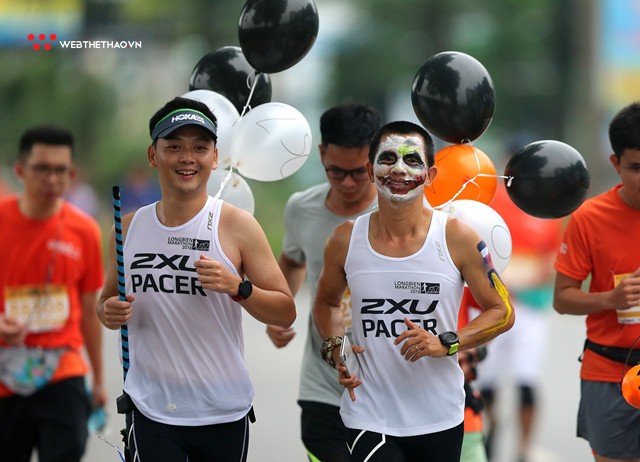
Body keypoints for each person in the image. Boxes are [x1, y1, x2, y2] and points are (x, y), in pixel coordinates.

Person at [97, 96, 296, 462]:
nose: (187, 158)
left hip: (223, 409)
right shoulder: (125, 228)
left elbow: (285, 311)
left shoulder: (238, 225)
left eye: (200, 148)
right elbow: (107, 300)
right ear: (153, 155)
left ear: (215, 158)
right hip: (152, 408)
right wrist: (107, 311)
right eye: (174, 147)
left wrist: (237, 287)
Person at [313, 120, 515, 462]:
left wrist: (447, 342)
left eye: (413, 161)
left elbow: (503, 312)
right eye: (388, 158)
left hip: (439, 414)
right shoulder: (345, 239)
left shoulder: (457, 237)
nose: (399, 170)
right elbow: (326, 302)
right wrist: (336, 348)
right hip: (368, 412)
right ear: (370, 169)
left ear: (432, 175)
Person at [265, 101, 382, 462]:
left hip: (385, 387)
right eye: (335, 171)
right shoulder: (302, 208)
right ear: (320, 154)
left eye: (359, 173)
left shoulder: (398, 216)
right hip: (321, 385)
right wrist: (278, 315)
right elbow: (293, 261)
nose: (347, 182)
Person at [0, 125, 106, 462]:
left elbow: (90, 309)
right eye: (41, 168)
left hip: (64, 371)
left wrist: (100, 380)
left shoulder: (85, 230)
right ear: (20, 171)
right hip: (4, 375)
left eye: (60, 170)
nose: (51, 179)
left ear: (72, 175)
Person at [553, 102, 640, 462]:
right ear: (616, 164)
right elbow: (562, 298)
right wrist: (609, 299)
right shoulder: (589, 218)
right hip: (609, 374)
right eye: (637, 167)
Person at [475, 181, 564, 462]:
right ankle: (491, 426)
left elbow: (550, 262)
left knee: (526, 379)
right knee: (485, 380)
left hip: (529, 308)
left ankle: (524, 448)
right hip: (490, 306)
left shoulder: (546, 212)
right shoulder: (490, 205)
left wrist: (516, 281)